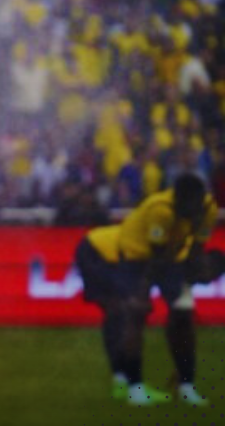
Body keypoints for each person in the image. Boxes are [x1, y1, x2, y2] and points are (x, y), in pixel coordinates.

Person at [75, 174, 219, 406]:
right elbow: (156, 259)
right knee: (133, 314)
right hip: (135, 256)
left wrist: (190, 279)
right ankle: (134, 386)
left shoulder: (209, 209)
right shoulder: (160, 210)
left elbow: (196, 248)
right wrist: (142, 293)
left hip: (170, 257)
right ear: (177, 200)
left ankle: (185, 384)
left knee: (183, 315)